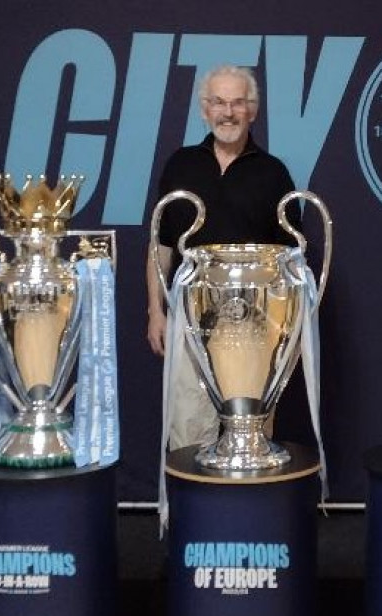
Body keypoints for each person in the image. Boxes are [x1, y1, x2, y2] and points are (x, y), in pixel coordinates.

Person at [146, 64, 300, 450]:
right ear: (204, 109)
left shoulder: (274, 174)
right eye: (218, 102)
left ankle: (249, 511)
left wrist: (288, 330)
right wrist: (156, 311)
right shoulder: (180, 164)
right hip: (189, 316)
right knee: (187, 422)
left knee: (251, 430)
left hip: (255, 323)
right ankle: (189, 511)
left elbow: (291, 265)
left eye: (237, 102)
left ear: (253, 110)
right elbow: (160, 249)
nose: (227, 112)